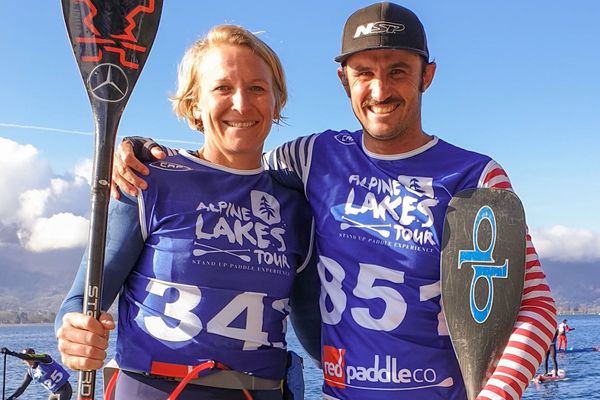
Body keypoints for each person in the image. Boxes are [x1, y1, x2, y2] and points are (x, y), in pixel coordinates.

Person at [111, 3, 557, 399]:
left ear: (428, 75)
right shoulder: (312, 156)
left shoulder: (476, 177)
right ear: (344, 81)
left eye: (398, 70)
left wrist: (496, 393)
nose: (381, 90)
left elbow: (535, 305)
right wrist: (135, 150)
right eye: (364, 73)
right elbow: (231, 158)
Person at [55, 25, 313, 400]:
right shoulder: (146, 181)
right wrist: (74, 334)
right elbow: (80, 301)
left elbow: (315, 329)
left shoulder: (297, 207)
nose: (241, 103)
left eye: (257, 88)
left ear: (277, 102)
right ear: (194, 104)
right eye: (222, 88)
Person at [1, 347, 72, 400]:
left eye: (29, 358)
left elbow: (27, 356)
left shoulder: (45, 359)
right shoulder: (30, 373)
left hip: (64, 389)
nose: (27, 361)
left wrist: (11, 353)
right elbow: (21, 389)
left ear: (33, 357)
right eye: (25, 360)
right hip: (53, 393)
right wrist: (10, 398)